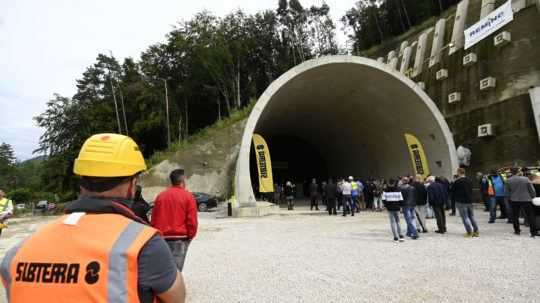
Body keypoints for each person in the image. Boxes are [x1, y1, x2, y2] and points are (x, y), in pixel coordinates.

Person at [0, 134, 185, 302]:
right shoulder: (144, 244)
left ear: (81, 183)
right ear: (132, 185)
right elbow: (177, 298)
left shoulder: (17, 253)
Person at [152, 169, 198, 271]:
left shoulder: (160, 196)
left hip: (161, 238)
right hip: (180, 238)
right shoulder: (188, 196)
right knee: (176, 271)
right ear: (183, 181)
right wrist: (191, 236)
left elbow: (154, 219)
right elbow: (192, 221)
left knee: (163, 269)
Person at [507, 167, 537, 237]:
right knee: (530, 215)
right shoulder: (526, 179)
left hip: (514, 200)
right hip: (526, 199)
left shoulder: (508, 180)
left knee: (515, 216)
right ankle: (533, 232)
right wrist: (533, 196)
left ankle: (517, 230)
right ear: (518, 172)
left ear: (511, 172)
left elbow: (507, 191)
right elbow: (532, 189)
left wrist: (509, 198)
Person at [453, 168, 479, 237]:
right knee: (471, 216)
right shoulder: (469, 180)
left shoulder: (457, 181)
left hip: (461, 201)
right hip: (469, 201)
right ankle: (476, 231)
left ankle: (469, 232)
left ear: (459, 172)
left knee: (465, 217)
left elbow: (453, 191)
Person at [383, 179, 405, 243]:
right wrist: (400, 207)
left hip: (390, 209)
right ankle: (401, 236)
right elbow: (401, 200)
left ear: (389, 183)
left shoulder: (385, 190)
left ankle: (395, 237)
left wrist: (387, 206)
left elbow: (383, 200)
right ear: (394, 182)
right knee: (398, 222)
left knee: (392, 222)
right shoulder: (398, 190)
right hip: (397, 208)